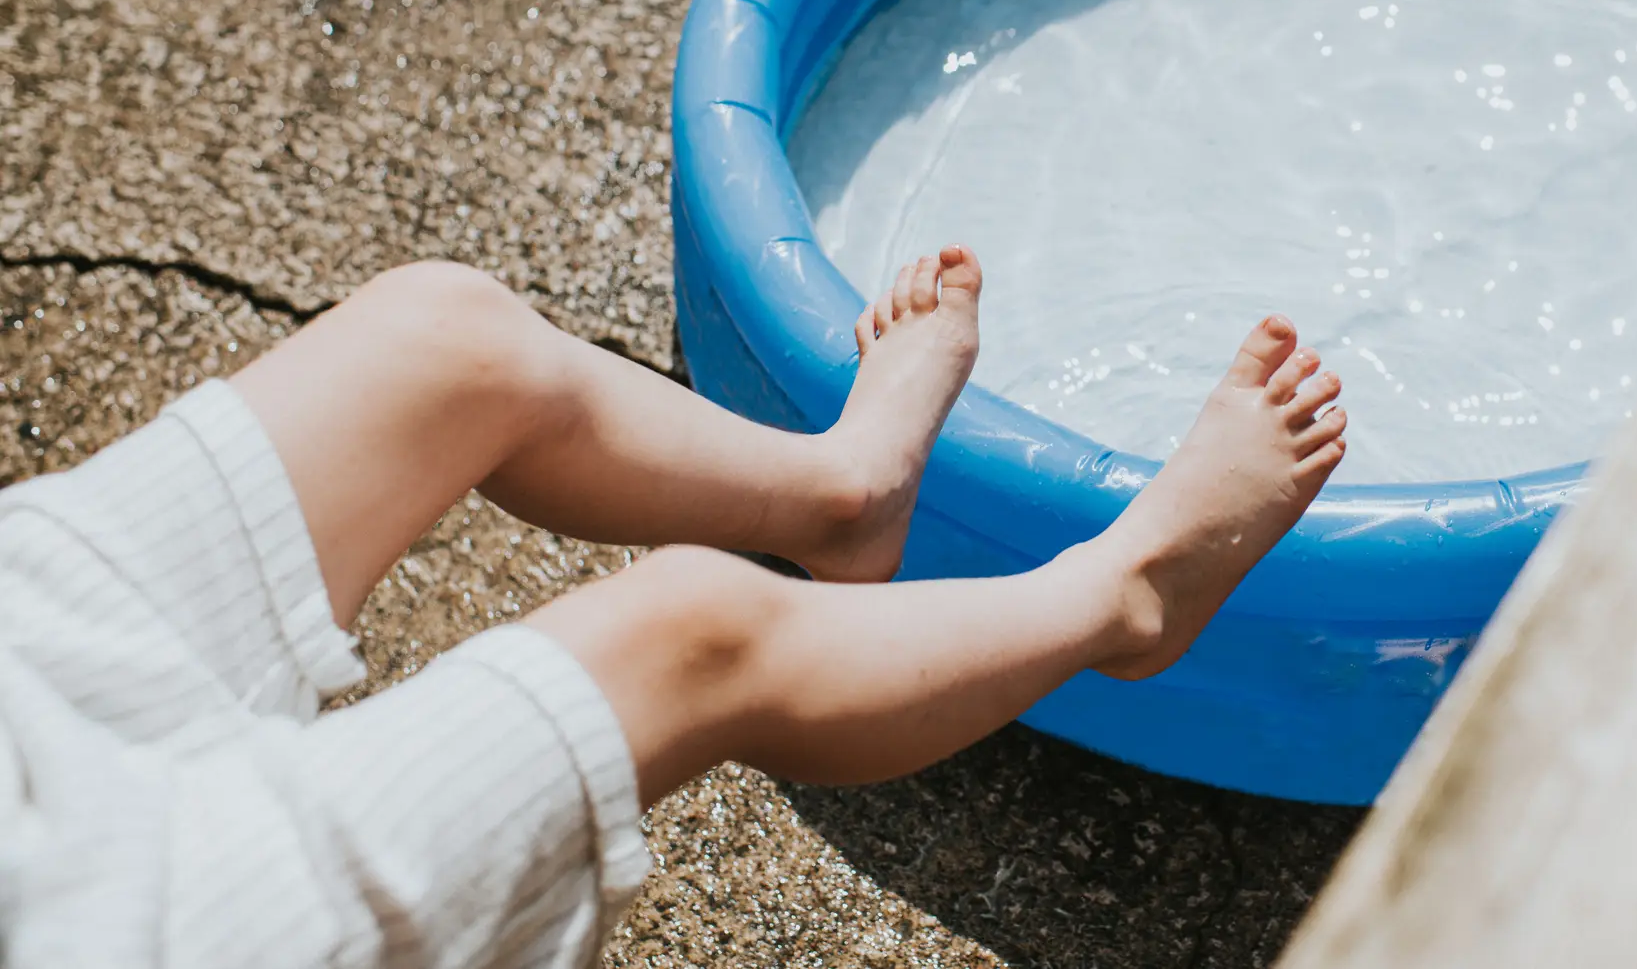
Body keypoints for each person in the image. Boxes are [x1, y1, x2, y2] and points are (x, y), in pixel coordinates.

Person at [0, 246, 1347, 968]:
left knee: (445, 342)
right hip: (89, 912)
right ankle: (1125, 597)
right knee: (685, 636)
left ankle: (841, 489)